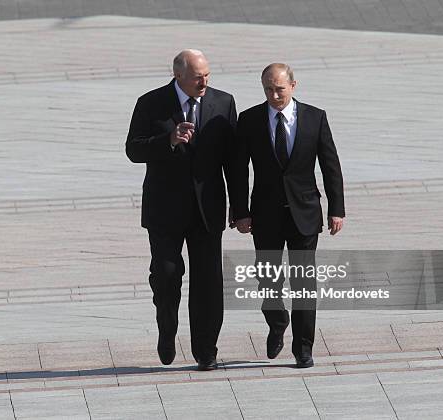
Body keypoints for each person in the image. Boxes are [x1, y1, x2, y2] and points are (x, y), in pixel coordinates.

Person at [125, 49, 238, 371]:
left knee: (208, 283)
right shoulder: (151, 102)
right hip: (164, 208)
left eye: (207, 75)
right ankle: (167, 328)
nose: (204, 82)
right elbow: (133, 149)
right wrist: (168, 141)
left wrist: (241, 207)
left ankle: (206, 350)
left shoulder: (223, 102)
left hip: (207, 209)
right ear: (178, 77)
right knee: (167, 275)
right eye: (196, 77)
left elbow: (233, 160)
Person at [231, 63, 345, 368]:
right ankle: (277, 319)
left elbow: (330, 165)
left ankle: (303, 347)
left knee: (303, 282)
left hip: (305, 213)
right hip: (265, 214)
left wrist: (337, 209)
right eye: (268, 88)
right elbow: (239, 170)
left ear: (293, 86)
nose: (274, 94)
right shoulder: (250, 120)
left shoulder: (314, 117)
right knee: (267, 275)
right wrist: (239, 211)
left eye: (279, 88)